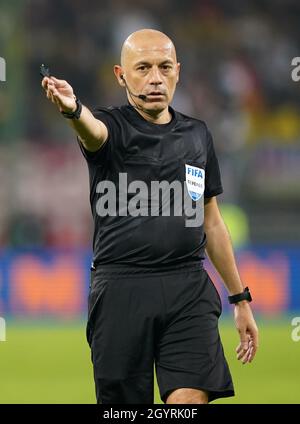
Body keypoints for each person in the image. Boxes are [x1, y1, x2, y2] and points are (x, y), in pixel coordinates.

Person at [41, 28, 259, 404]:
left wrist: (240, 299)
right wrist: (74, 110)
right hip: (121, 289)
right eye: (142, 68)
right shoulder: (111, 126)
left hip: (188, 287)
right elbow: (92, 132)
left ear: (178, 70)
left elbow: (212, 222)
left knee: (189, 402)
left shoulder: (197, 135)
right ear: (120, 75)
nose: (155, 78)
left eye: (164, 67)